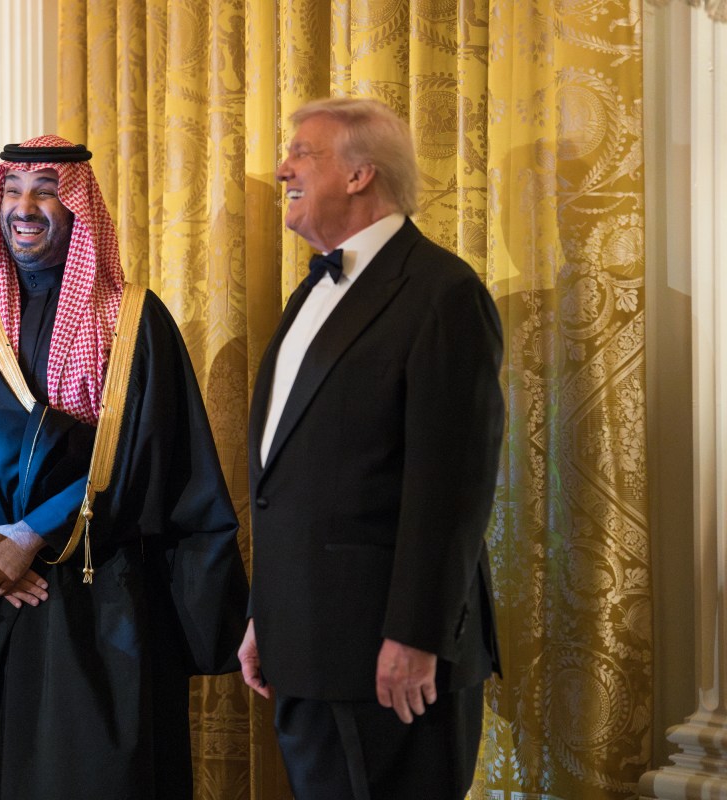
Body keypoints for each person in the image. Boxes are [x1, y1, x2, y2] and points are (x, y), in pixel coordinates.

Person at [0, 135, 249, 800]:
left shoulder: (132, 321)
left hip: (89, 598)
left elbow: (150, 455)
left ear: (78, 210)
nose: (25, 208)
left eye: (46, 192)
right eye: (13, 193)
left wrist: (32, 535)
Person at [238, 97, 504, 799]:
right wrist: (267, 614)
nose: (282, 168)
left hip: (392, 661)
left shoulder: (443, 293)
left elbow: (453, 487)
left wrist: (416, 636)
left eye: (302, 152)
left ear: (360, 174)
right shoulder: (309, 294)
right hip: (306, 648)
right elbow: (292, 479)